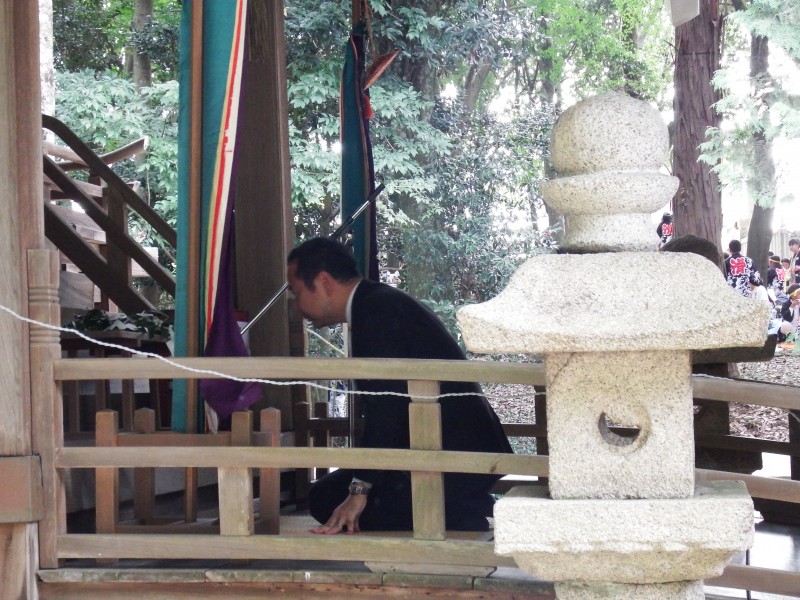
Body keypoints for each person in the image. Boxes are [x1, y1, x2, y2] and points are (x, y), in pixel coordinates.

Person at [286, 237, 513, 534]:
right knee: (324, 494)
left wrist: (359, 490)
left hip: (452, 454)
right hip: (439, 448)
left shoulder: (377, 310)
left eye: (297, 292)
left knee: (327, 499)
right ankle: (455, 507)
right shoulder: (375, 303)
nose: (296, 305)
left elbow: (386, 407)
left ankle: (458, 512)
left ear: (324, 282)